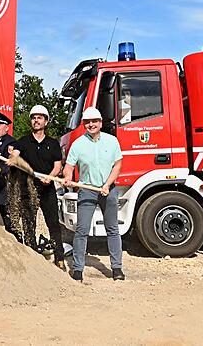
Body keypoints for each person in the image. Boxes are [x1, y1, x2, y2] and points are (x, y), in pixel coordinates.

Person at [63, 106, 124, 282]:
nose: (91, 125)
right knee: (81, 230)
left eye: (94, 121)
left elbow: (118, 165)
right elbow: (69, 167)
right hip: (87, 190)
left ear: (100, 122)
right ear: (83, 124)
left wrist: (107, 184)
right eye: (87, 122)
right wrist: (67, 177)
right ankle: (78, 269)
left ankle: (117, 268)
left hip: (108, 190)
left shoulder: (112, 141)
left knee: (112, 229)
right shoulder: (78, 144)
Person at [10, 104, 67, 271]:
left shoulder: (53, 143)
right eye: (34, 117)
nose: (36, 120)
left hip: (47, 190)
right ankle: (32, 258)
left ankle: (59, 258)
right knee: (29, 224)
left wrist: (50, 177)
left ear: (46, 121)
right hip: (28, 189)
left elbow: (58, 165)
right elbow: (15, 155)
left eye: (39, 117)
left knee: (54, 224)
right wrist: (12, 158)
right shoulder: (23, 141)